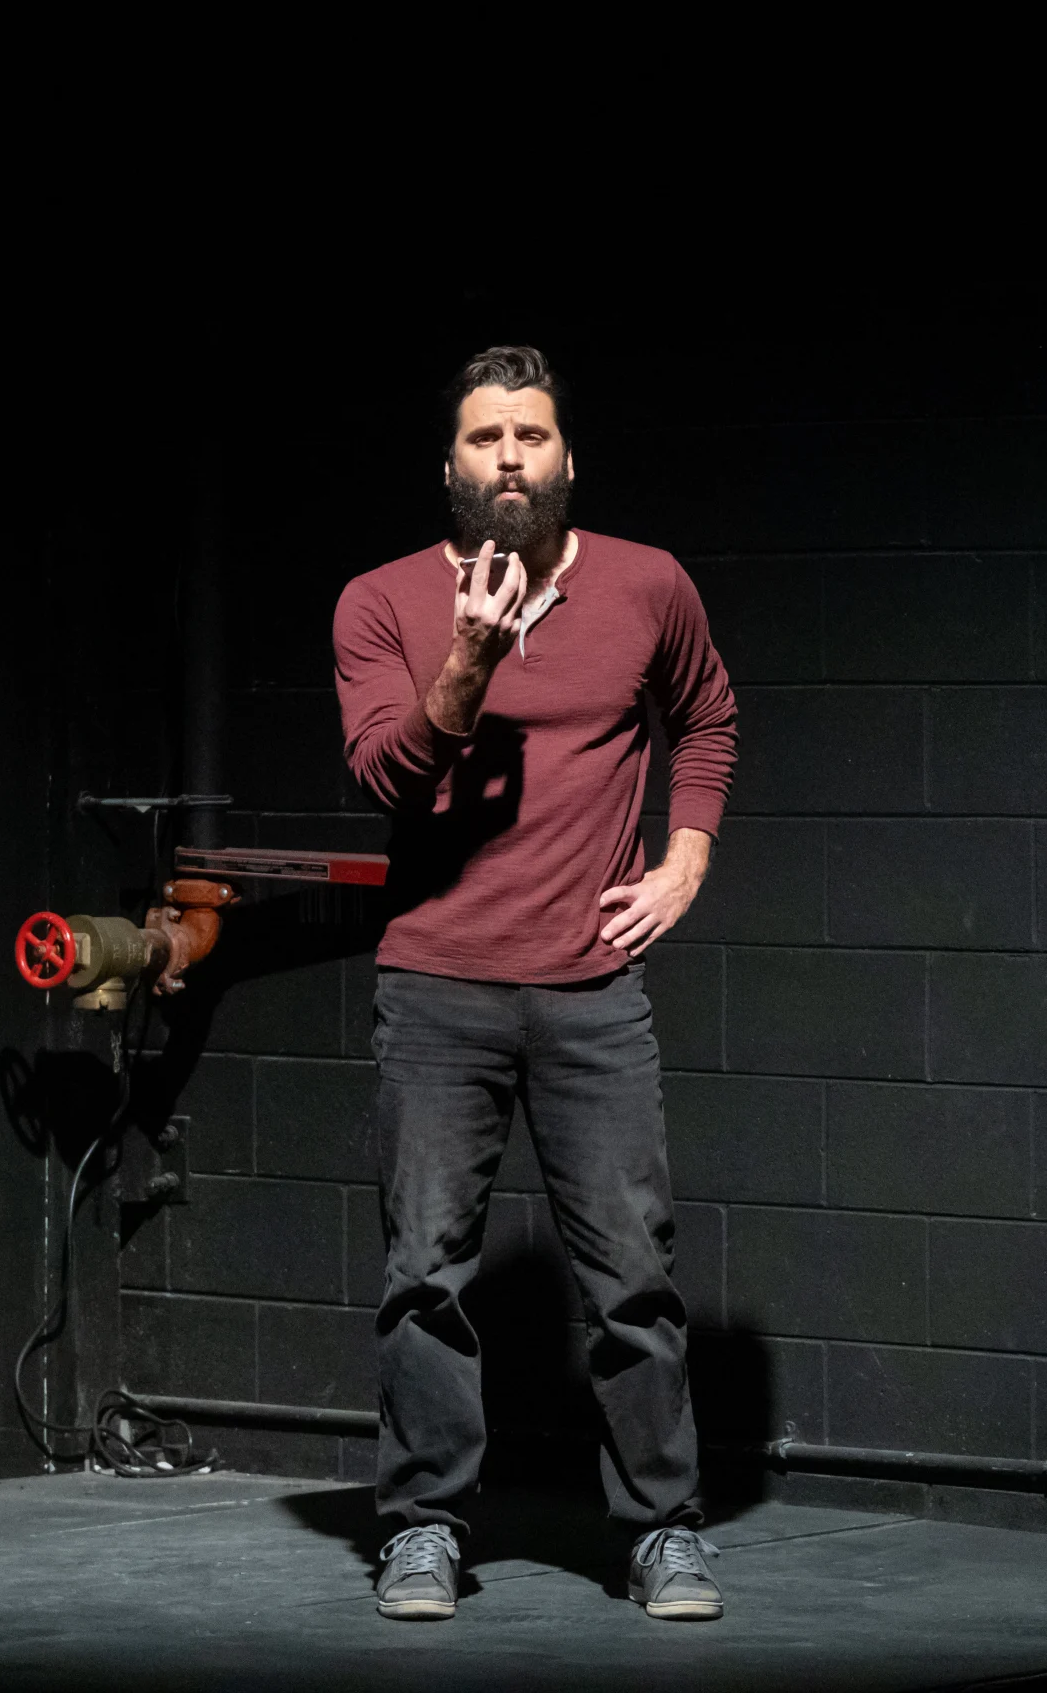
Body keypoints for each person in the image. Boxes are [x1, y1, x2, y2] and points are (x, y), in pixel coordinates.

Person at [332, 345, 738, 1623]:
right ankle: (423, 1529)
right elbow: (388, 776)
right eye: (484, 438)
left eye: (531, 435)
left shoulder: (649, 584)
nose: (510, 457)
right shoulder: (381, 602)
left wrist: (683, 860)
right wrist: (470, 655)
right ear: (450, 465)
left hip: (591, 993)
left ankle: (662, 1530)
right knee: (425, 1278)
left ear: (567, 457)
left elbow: (709, 718)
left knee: (634, 1280)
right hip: (434, 990)